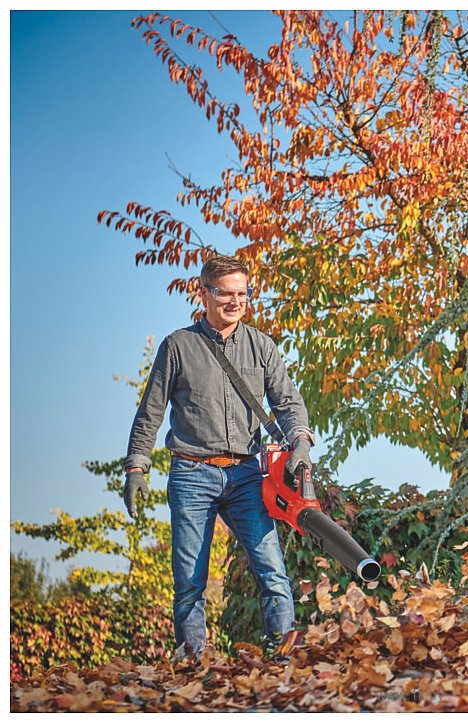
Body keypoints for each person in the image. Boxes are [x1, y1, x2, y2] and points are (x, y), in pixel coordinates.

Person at [123, 255, 314, 660]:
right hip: (191, 473)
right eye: (225, 293)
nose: (235, 302)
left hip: (247, 475)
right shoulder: (178, 347)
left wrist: (300, 440)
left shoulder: (262, 346)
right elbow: (150, 413)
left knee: (272, 571)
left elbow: (288, 402)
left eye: (242, 294)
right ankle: (193, 661)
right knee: (190, 579)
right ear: (203, 293)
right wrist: (137, 467)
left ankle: (283, 659)